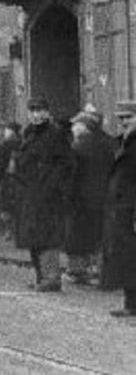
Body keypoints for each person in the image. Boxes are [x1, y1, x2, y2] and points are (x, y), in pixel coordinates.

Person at [14, 96, 74, 292]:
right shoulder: (29, 133)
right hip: (30, 193)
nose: (35, 115)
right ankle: (41, 277)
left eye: (40, 110)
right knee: (33, 236)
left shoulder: (55, 134)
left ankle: (52, 277)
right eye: (32, 111)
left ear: (47, 112)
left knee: (48, 236)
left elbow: (66, 164)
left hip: (48, 196)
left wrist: (52, 186)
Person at [63, 109, 114, 285]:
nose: (73, 128)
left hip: (81, 200)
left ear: (85, 126)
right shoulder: (111, 143)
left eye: (76, 124)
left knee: (77, 236)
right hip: (106, 198)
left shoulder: (78, 146)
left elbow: (72, 174)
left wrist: (67, 196)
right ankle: (101, 271)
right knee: (101, 236)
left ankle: (77, 271)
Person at [101, 101, 136, 316]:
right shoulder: (122, 143)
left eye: (128, 118)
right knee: (126, 257)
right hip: (120, 209)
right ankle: (130, 303)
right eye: (121, 118)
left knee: (132, 256)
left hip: (131, 209)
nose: (123, 122)